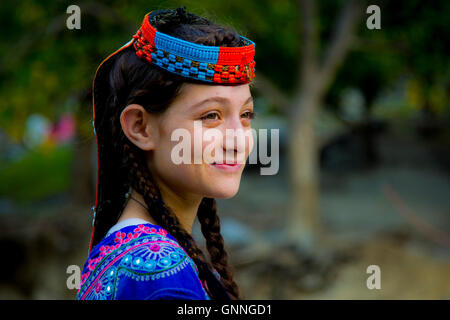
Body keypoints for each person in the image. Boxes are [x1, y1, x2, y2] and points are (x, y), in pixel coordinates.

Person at [76, 7, 256, 300]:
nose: (238, 140)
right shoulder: (160, 276)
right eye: (211, 115)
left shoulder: (128, 249)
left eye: (246, 114)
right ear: (140, 127)